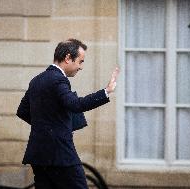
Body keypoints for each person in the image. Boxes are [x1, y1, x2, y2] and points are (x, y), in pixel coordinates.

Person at [16, 38, 119, 189]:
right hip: (60, 155)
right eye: (80, 61)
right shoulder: (58, 80)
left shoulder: (36, 80)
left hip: (39, 155)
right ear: (68, 58)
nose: (81, 67)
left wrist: (46, 126)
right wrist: (106, 91)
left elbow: (22, 111)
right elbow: (75, 104)